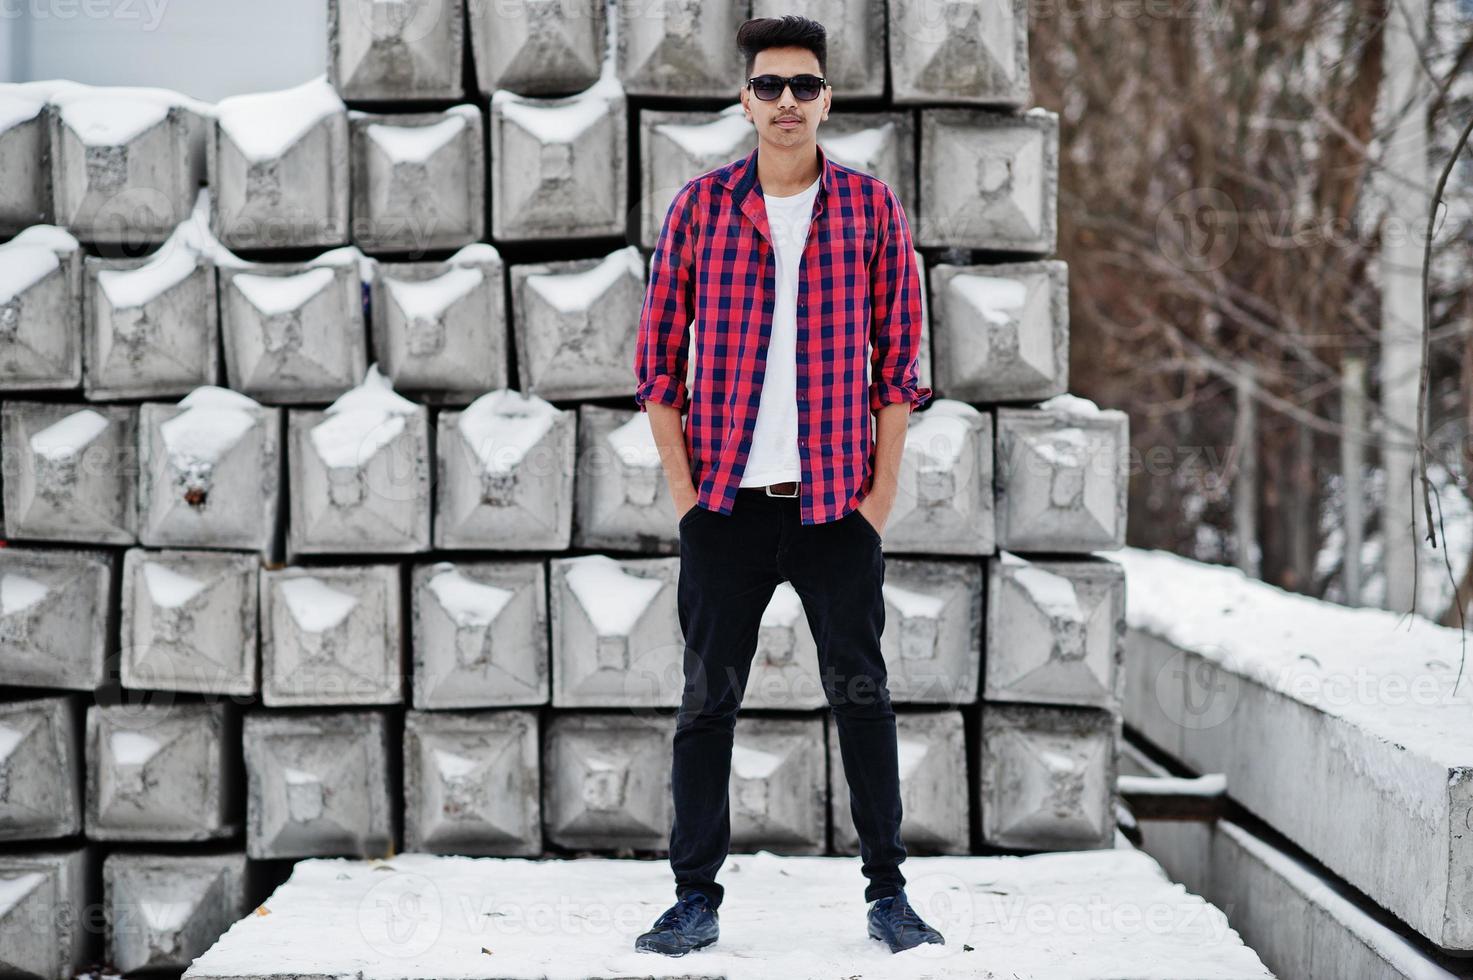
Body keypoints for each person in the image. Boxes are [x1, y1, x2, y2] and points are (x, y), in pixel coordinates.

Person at [629, 14, 943, 957]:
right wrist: (686, 495)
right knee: (706, 702)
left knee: (862, 697)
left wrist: (877, 499)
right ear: (745, 100)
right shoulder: (699, 209)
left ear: (826, 100)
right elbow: (655, 367)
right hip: (723, 507)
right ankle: (693, 899)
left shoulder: (869, 209)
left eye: (803, 86)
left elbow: (900, 366)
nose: (786, 103)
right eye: (768, 87)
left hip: (834, 508)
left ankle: (888, 894)